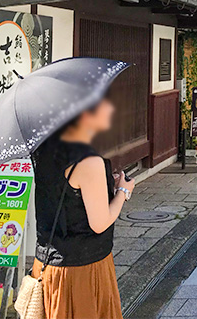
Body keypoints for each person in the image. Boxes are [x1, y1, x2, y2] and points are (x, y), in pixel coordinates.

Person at [30, 97, 135, 319]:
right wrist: (123, 192)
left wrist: (105, 185)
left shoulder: (44, 151)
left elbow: (66, 197)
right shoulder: (88, 161)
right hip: (81, 270)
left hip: (47, 264)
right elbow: (100, 223)